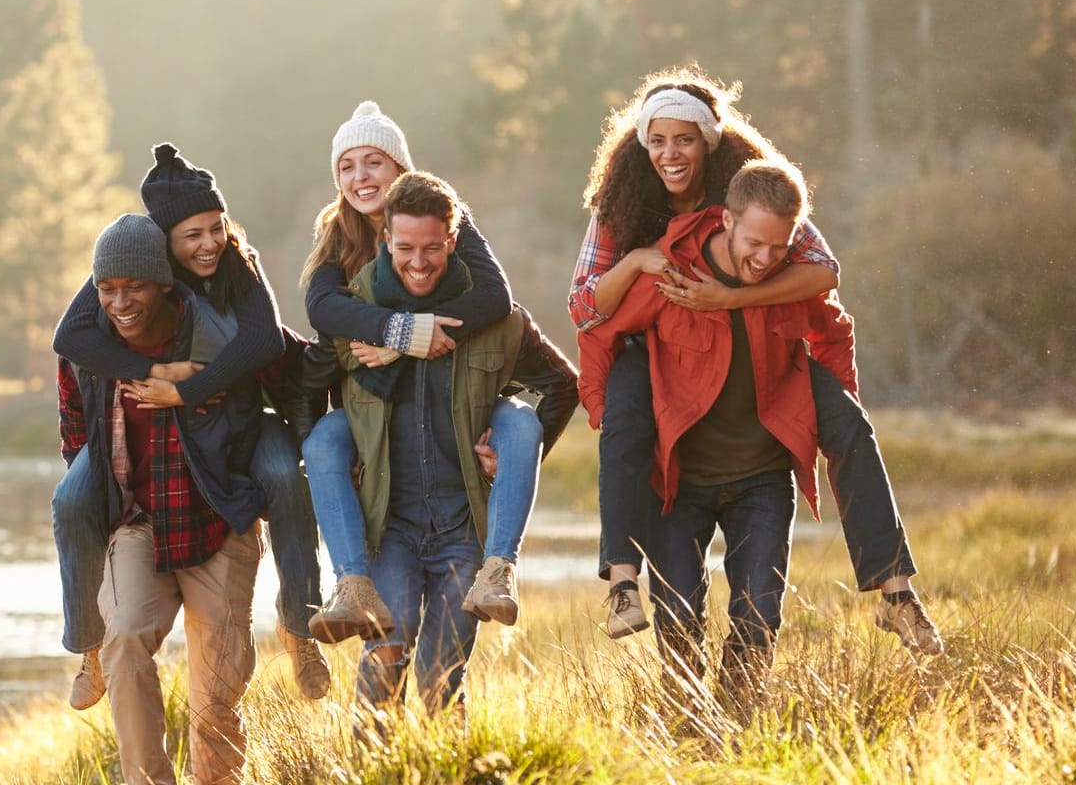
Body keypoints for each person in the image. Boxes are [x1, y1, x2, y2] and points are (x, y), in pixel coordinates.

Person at [569, 69, 943, 656]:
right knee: (625, 419)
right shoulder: (622, 206)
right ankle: (621, 578)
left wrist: (731, 296)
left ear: (710, 142)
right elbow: (586, 309)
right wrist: (639, 260)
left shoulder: (751, 197)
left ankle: (897, 591)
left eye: (686, 139)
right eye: (659, 141)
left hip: (760, 342)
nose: (672, 154)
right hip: (661, 346)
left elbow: (822, 269)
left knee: (848, 426)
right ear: (643, 144)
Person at [52, 145, 331, 707]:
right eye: (193, 234)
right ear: (165, 242)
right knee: (70, 500)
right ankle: (87, 646)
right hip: (166, 434)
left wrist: (187, 387)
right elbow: (71, 337)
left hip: (249, 419)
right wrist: (153, 370)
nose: (209, 244)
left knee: (283, 475)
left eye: (216, 228)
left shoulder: (239, 264)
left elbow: (263, 340)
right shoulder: (138, 270)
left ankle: (301, 626)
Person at [581, 161, 853, 715]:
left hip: (762, 480)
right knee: (678, 619)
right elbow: (597, 330)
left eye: (778, 248)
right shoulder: (673, 279)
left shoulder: (788, 281)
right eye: (754, 242)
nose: (764, 258)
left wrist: (836, 415)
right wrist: (609, 416)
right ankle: (687, 731)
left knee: (759, 615)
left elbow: (834, 327)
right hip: (679, 482)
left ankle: (737, 722)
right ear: (726, 220)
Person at [56, 214, 268, 785]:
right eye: (106, 288)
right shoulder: (90, 348)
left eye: (133, 288)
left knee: (216, 688)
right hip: (140, 523)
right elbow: (74, 431)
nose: (119, 303)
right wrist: (110, 497)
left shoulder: (213, 334)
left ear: (163, 285)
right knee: (123, 636)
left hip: (216, 524)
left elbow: (273, 380)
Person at [331, 171, 579, 718]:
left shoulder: (499, 322)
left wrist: (512, 463)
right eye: (405, 249)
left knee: (439, 676)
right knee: (385, 655)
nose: (418, 262)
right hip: (390, 529)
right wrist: (344, 457)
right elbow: (314, 392)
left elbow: (565, 388)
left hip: (463, 531)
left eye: (432, 248)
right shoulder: (355, 312)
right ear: (386, 241)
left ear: (453, 238)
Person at [298, 102, 542, 644]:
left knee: (521, 422)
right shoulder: (337, 236)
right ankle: (352, 583)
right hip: (370, 402)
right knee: (322, 443)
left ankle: (499, 569)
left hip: (448, 397)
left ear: (401, 168)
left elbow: (496, 298)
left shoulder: (442, 216)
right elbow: (323, 311)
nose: (360, 177)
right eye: (347, 167)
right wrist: (401, 334)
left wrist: (415, 338)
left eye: (374, 162)